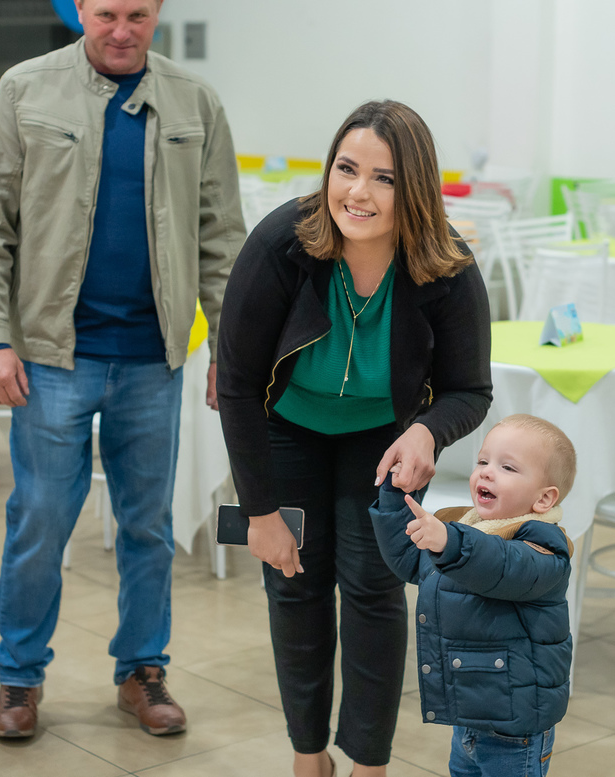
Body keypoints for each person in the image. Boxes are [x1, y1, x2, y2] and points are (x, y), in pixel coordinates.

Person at [0, 0, 245, 740]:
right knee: (41, 521)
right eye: (108, 15)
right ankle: (19, 677)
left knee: (147, 524)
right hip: (53, 357)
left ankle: (142, 670)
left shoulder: (196, 103)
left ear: (158, 12)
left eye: (138, 16)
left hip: (154, 358)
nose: (123, 31)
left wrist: (231, 346)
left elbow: (223, 239)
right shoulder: (25, 90)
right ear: (79, 7)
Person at [217, 100, 493, 777]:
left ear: (416, 189)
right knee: (294, 584)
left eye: (383, 178)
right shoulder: (283, 242)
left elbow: (470, 389)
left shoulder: (446, 265)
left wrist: (429, 430)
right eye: (346, 168)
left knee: (373, 591)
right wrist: (258, 513)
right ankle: (308, 756)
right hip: (288, 431)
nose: (356, 192)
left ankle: (369, 762)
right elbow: (236, 383)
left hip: (385, 441)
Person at [369, 414, 575, 777]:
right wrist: (395, 495)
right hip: (470, 714)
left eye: (507, 467)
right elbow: (408, 559)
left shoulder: (544, 548)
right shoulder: (464, 528)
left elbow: (501, 565)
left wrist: (449, 542)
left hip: (516, 729)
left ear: (543, 498)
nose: (486, 472)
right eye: (482, 461)